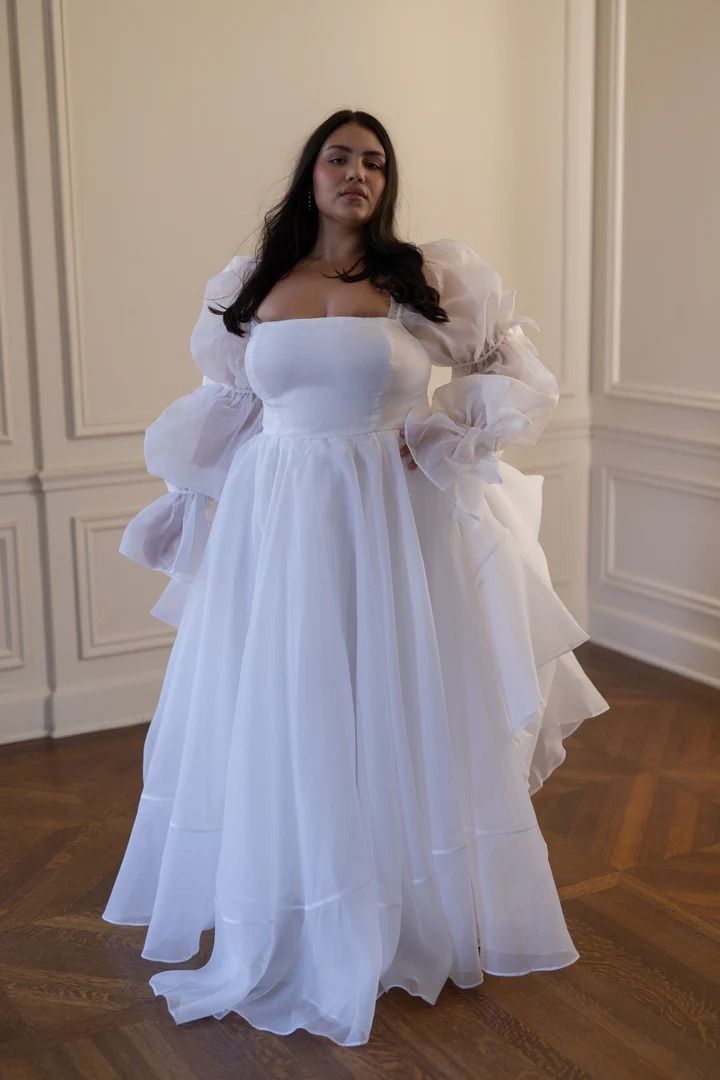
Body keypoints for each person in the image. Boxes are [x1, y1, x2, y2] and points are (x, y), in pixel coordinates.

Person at [102, 109, 610, 1047]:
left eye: (375, 161)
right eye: (340, 157)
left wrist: (454, 434)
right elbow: (229, 407)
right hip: (281, 517)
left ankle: (399, 913)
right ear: (311, 173)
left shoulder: (422, 279)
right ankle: (298, 904)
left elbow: (512, 369)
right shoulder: (251, 284)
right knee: (292, 702)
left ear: (387, 182)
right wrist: (189, 507)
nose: (358, 173)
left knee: (393, 699)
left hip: (390, 516)